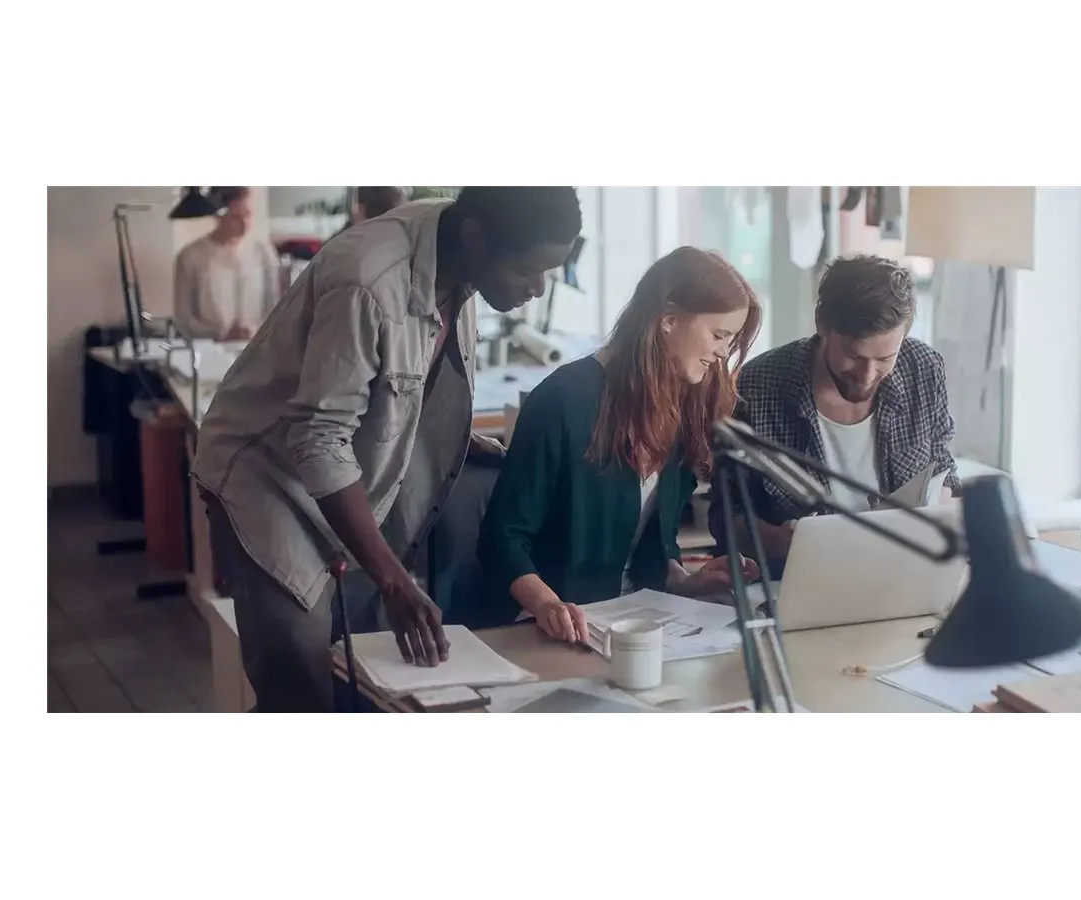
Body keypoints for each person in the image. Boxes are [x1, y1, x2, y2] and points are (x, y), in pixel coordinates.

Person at [192, 187, 582, 711]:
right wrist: (394, 582)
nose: (538, 288)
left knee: (361, 680)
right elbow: (319, 439)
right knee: (300, 689)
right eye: (526, 270)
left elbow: (395, 386)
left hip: (338, 475)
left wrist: (456, 438)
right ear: (475, 237)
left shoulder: (456, 255)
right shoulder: (368, 281)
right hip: (266, 481)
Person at [475, 247, 762, 642]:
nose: (723, 353)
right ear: (668, 319)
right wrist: (547, 605)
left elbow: (643, 547)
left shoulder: (684, 403)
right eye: (719, 336)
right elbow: (501, 538)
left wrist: (684, 580)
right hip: (552, 627)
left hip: (636, 622)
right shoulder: (563, 400)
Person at [709, 254, 960, 577]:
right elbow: (725, 516)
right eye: (854, 355)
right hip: (800, 578)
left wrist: (938, 515)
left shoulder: (923, 369)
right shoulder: (757, 386)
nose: (867, 375)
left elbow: (944, 473)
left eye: (885, 358)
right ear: (822, 324)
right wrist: (779, 540)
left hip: (903, 574)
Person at [173, 186, 281, 341]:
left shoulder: (263, 252)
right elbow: (184, 319)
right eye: (236, 218)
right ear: (218, 216)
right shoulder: (191, 257)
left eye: (248, 215)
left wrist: (257, 332)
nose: (244, 225)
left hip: (257, 345)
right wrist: (221, 334)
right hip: (209, 347)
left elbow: (275, 306)